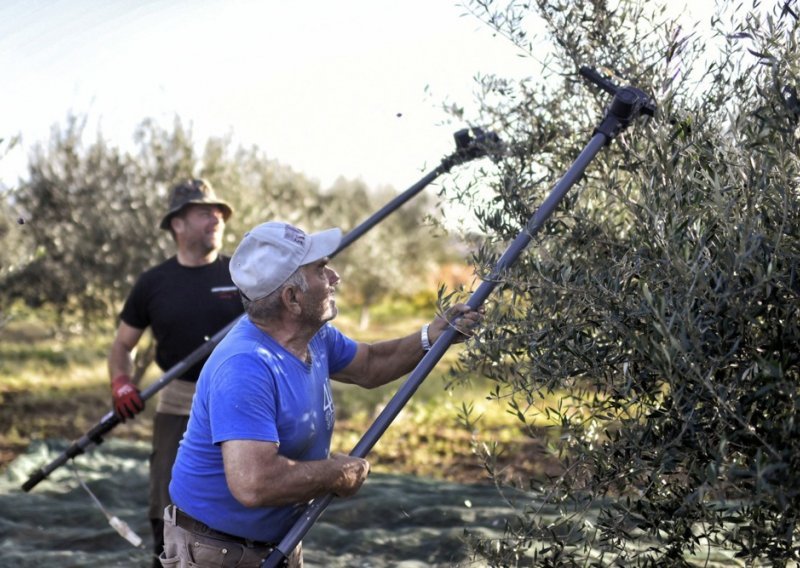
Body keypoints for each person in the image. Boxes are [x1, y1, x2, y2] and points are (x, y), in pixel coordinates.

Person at [162, 221, 482, 568]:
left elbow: (371, 364)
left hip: (276, 543)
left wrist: (431, 336)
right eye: (320, 270)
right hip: (216, 551)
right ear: (292, 299)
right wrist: (335, 474)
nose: (334, 277)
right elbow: (254, 483)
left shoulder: (313, 337)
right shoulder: (246, 367)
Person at [107, 178, 244, 567]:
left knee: (246, 489)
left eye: (219, 213)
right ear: (177, 225)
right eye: (205, 212)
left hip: (237, 398)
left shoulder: (241, 274)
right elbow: (122, 345)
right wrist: (121, 383)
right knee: (166, 494)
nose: (216, 219)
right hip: (178, 397)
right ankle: (165, 558)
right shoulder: (153, 283)